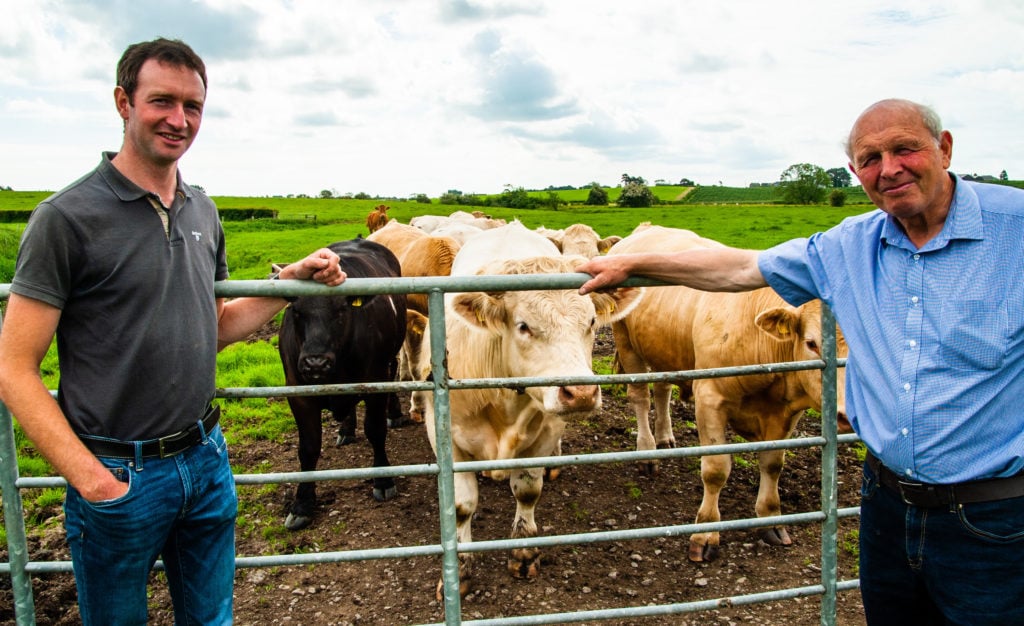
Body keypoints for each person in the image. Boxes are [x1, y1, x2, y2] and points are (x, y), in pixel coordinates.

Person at [578, 98, 1024, 625]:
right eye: (870, 158)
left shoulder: (1014, 231)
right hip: (884, 504)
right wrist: (635, 261)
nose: (889, 168)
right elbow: (741, 268)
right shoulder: (848, 246)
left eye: (906, 149)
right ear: (856, 172)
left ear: (944, 148)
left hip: (995, 515)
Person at [0, 38, 346, 625]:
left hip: (206, 459)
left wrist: (290, 280)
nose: (179, 120)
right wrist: (93, 481)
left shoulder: (201, 211)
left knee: (212, 620)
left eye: (194, 106)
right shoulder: (65, 219)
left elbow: (211, 327)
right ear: (123, 102)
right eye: (162, 100)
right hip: (118, 473)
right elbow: (13, 368)